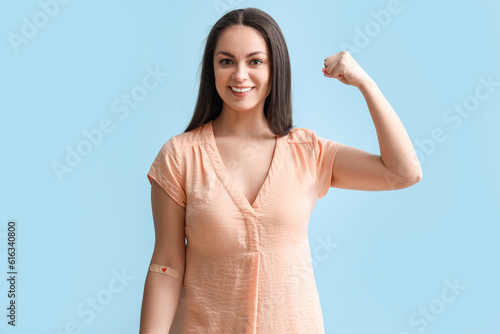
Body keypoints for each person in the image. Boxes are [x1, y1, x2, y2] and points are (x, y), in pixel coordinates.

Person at [139, 7, 422, 334]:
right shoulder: (180, 156)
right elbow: (167, 266)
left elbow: (403, 173)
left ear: (276, 69)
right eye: (226, 61)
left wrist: (365, 83)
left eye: (255, 61)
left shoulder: (309, 152)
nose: (240, 75)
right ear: (212, 69)